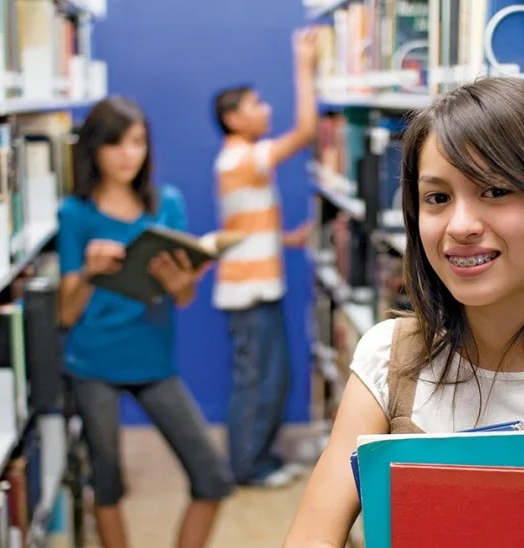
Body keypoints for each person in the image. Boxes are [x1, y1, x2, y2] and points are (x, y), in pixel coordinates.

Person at [285, 77, 524, 546]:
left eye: (496, 191)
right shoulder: (387, 358)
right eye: (437, 198)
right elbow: (312, 536)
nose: (460, 226)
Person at [57, 96, 233, 548]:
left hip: (153, 359)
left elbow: (185, 296)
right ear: (94, 149)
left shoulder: (165, 204)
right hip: (93, 359)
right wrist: (90, 274)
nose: (127, 155)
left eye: (137, 142)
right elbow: (65, 313)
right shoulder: (75, 214)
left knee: (212, 476)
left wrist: (182, 281)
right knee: (108, 479)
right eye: (115, 143)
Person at [211, 27, 318, 488]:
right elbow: (308, 132)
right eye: (257, 104)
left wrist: (289, 239)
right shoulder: (240, 159)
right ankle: (248, 467)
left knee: (269, 378)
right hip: (248, 292)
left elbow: (246, 224)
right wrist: (304, 63)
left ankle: (258, 458)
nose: (266, 109)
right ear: (234, 118)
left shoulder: (240, 161)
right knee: (260, 382)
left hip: (255, 284)